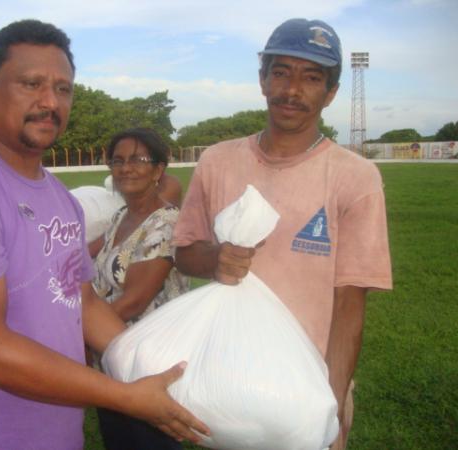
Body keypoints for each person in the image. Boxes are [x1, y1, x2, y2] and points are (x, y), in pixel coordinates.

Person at [0, 19, 207, 450]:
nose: (49, 101)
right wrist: (125, 396)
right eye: (31, 83)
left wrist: (145, 365)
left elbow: (83, 299)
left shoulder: (56, 194)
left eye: (63, 89)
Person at [172, 18, 392, 450]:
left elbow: (349, 307)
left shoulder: (356, 177)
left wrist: (328, 409)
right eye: (281, 72)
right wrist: (215, 259)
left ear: (330, 93)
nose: (292, 90)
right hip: (222, 373)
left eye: (311, 77)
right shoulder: (217, 161)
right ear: (262, 79)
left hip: (305, 383)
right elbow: (183, 253)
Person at [92, 128, 189, 450]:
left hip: (147, 365)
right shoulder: (121, 216)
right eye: (117, 160)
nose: (125, 168)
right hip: (111, 360)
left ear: (158, 170)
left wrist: (76, 331)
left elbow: (134, 301)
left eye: (137, 160)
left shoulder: (166, 223)